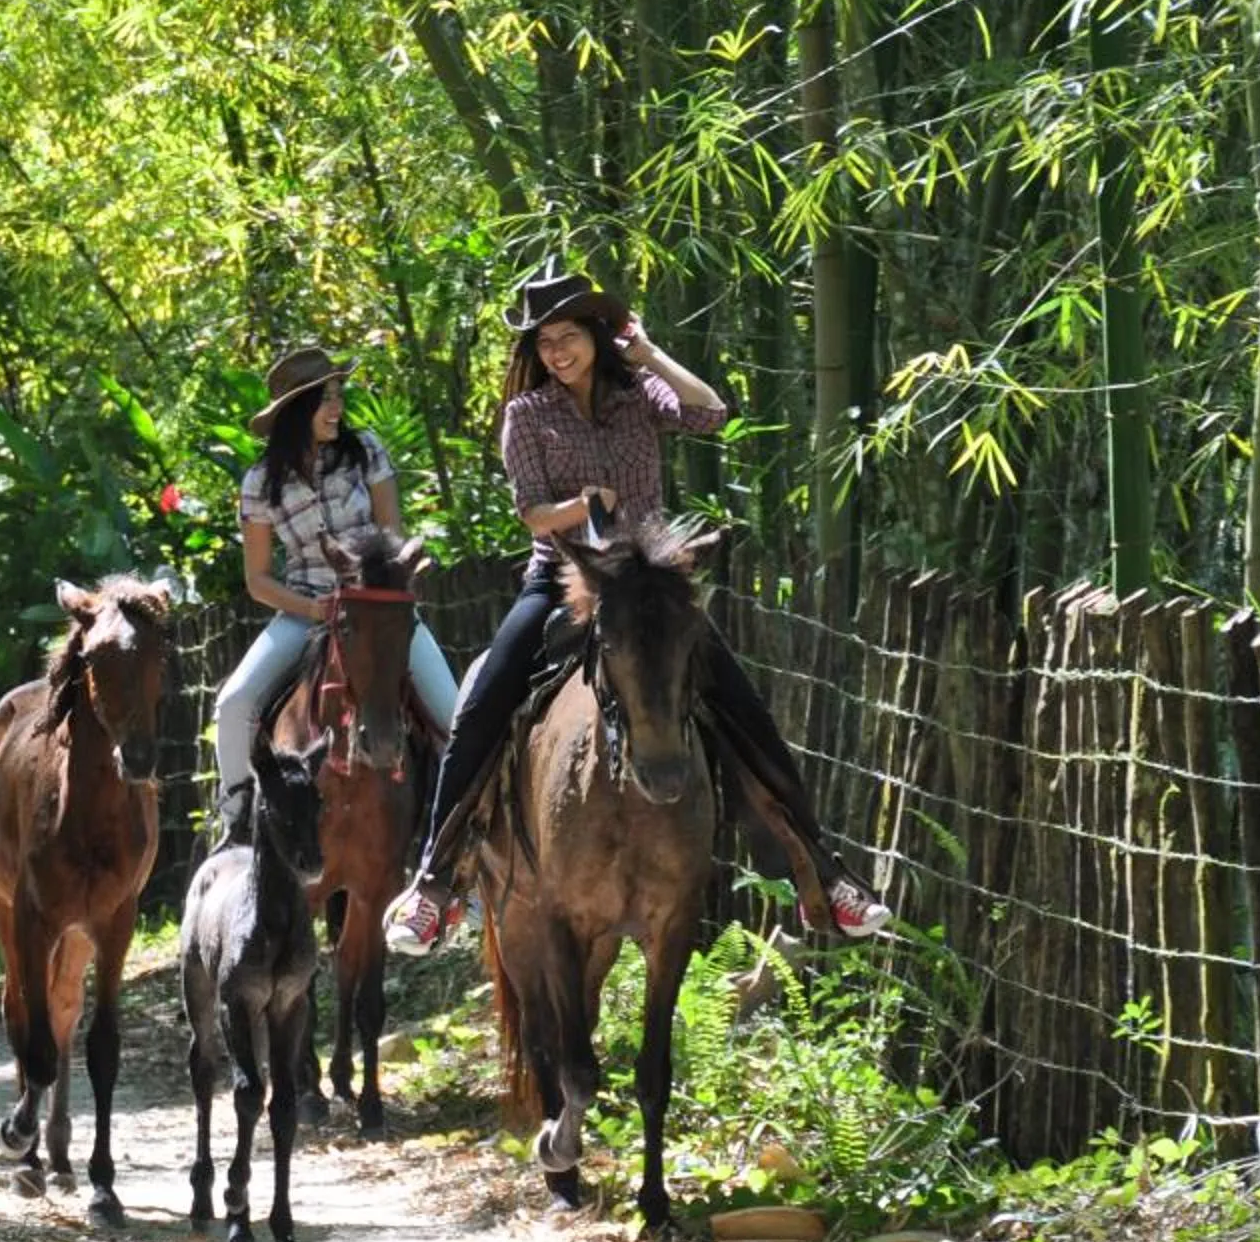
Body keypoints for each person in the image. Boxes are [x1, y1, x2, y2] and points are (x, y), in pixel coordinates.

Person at [378, 265, 894, 955]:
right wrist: (586, 505)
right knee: (483, 702)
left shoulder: (637, 394)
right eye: (544, 343)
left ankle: (822, 876)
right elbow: (533, 513)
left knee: (747, 712)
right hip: (562, 580)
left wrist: (648, 352)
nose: (556, 353)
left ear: (594, 334)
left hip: (650, 586)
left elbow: (712, 413)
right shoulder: (526, 417)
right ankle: (437, 885)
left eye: (568, 337)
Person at [208, 345, 458, 829]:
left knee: (453, 713)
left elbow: (393, 537)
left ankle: (460, 830)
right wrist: (313, 609)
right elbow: (257, 580)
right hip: (307, 613)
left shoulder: (366, 452)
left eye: (338, 394)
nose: (337, 407)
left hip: (378, 611)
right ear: (295, 411)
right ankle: (236, 818)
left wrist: (398, 583)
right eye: (325, 399)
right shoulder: (260, 482)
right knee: (234, 702)